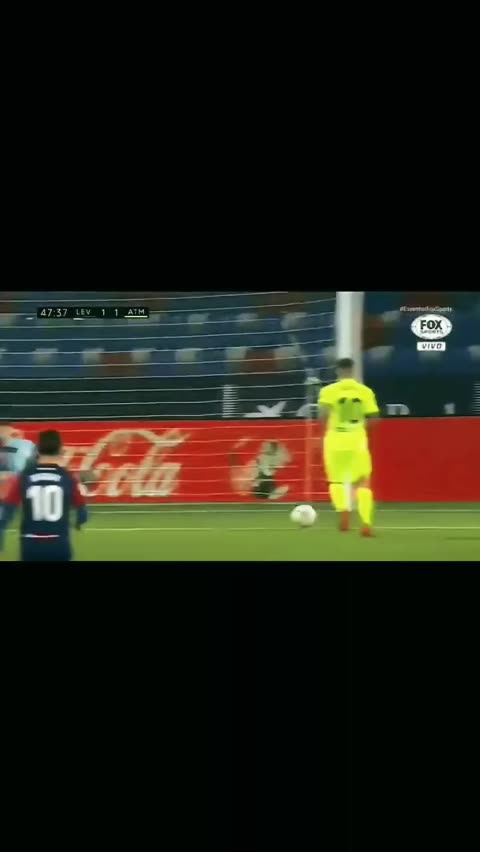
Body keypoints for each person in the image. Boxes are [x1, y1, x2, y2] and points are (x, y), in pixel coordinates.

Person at [0, 429, 87, 561]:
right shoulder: (67, 477)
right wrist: (79, 523)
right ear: (60, 450)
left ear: (37, 450)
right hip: (59, 543)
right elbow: (82, 510)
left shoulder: (25, 476)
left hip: (31, 544)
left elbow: (8, 509)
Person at [318, 358, 379, 536]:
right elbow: (374, 418)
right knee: (362, 482)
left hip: (335, 440)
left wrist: (326, 432)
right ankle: (366, 523)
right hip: (356, 440)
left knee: (336, 481)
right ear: (352, 370)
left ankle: (343, 511)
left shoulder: (328, 391)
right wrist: (360, 429)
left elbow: (323, 415)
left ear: (338, 371)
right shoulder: (364, 391)